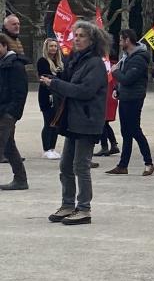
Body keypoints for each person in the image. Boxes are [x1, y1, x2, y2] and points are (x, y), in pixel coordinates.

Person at [42, 21, 109, 224]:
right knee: (66, 166)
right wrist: (54, 81)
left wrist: (56, 83)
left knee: (81, 166)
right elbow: (70, 86)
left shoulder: (95, 63)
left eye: (82, 35)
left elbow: (84, 91)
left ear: (92, 40)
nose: (77, 38)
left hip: (87, 121)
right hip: (73, 120)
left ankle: (84, 209)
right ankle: (68, 204)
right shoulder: (76, 60)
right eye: (76, 35)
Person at [107, 29, 154, 176]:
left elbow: (128, 78)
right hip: (125, 97)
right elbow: (123, 79)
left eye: (121, 40)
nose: (120, 43)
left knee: (134, 130)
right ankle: (123, 165)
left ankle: (148, 162)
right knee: (126, 132)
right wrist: (116, 88)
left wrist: (114, 72)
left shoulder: (139, 58)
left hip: (134, 98)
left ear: (127, 40)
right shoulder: (126, 57)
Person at [0, 34, 29, 190]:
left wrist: (11, 113)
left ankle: (20, 179)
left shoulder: (15, 65)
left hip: (8, 114)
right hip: (2, 110)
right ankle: (20, 179)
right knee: (9, 146)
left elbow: (20, 93)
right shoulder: (3, 64)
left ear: (5, 46)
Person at [37, 38, 63, 160]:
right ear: (46, 48)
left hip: (58, 96)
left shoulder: (59, 63)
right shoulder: (42, 61)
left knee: (56, 122)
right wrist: (55, 79)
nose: (53, 48)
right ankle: (46, 148)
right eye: (51, 46)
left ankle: (52, 148)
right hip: (46, 96)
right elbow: (44, 77)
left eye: (55, 46)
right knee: (48, 122)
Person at [95, 74, 120, 156]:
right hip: (111, 96)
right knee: (105, 123)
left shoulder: (106, 68)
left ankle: (104, 146)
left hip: (106, 97)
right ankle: (113, 144)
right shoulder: (114, 68)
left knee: (102, 122)